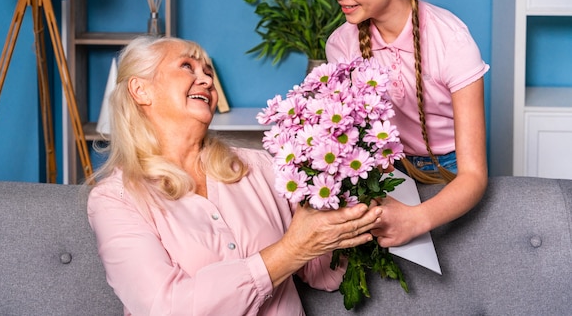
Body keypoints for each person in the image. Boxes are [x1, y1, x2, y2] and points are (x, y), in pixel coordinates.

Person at [86, 36, 382, 316]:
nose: (206, 79)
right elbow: (166, 308)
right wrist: (290, 251)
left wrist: (345, 201)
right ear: (141, 90)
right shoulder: (116, 199)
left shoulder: (261, 167)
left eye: (208, 72)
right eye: (187, 66)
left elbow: (325, 275)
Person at [325, 0, 489, 248]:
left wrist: (417, 219)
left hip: (451, 168)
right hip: (385, 168)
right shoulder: (341, 44)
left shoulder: (451, 40)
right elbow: (352, 138)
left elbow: (474, 175)